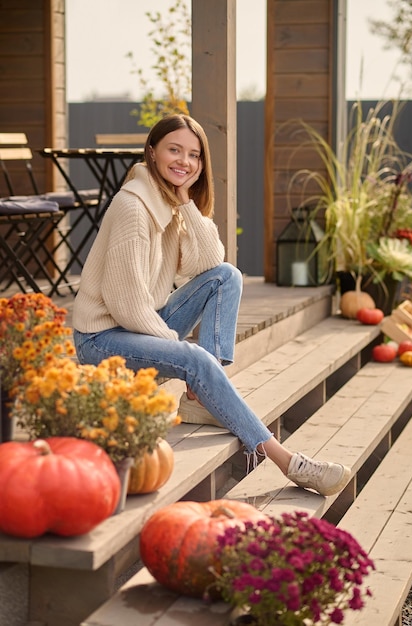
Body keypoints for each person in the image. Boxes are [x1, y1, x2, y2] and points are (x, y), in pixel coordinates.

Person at [72, 113, 351, 497]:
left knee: (227, 276)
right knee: (196, 360)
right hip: (102, 341)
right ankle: (286, 461)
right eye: (174, 150)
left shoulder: (167, 201)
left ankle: (202, 395)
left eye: (194, 155)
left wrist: (186, 201)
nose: (184, 162)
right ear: (152, 152)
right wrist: (180, 352)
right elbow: (126, 304)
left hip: (139, 324)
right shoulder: (134, 208)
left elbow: (208, 260)